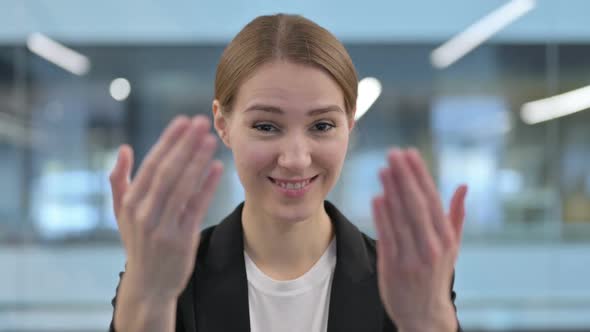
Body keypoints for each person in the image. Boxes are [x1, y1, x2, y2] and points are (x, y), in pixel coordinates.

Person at [108, 13, 468, 332]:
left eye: (322, 125)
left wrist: (428, 323)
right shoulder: (167, 275)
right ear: (223, 123)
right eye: (266, 126)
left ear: (350, 124)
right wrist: (148, 303)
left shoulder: (407, 279)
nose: (295, 158)